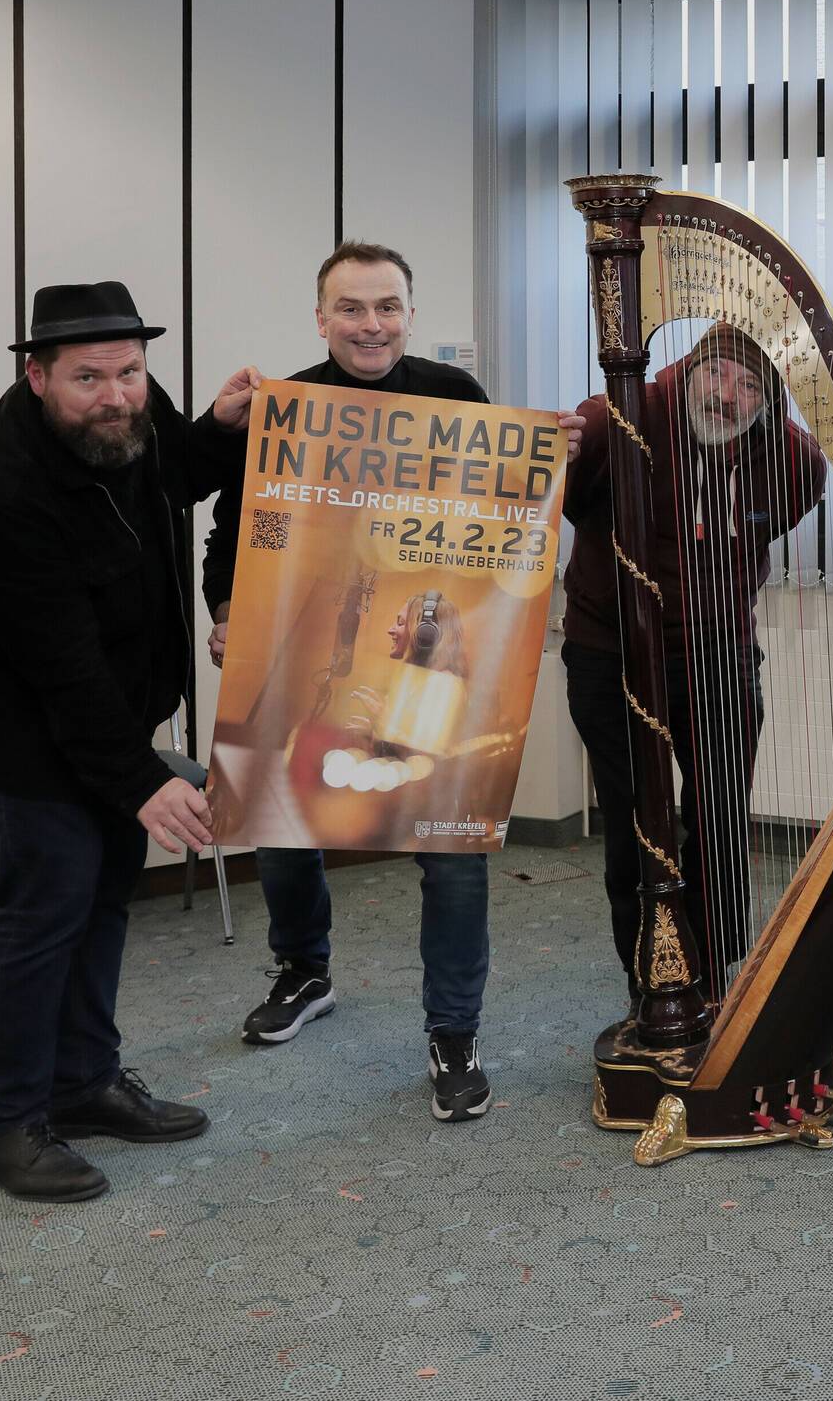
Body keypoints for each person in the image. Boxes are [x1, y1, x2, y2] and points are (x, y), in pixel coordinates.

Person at [202, 241, 580, 1123]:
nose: (370, 324)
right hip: (315, 644)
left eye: (387, 307)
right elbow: (236, 529)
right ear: (322, 315)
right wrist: (227, 606)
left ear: (409, 312)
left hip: (429, 650)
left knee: (451, 850)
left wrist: (547, 460)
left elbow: (503, 522)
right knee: (282, 819)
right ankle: (304, 969)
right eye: (351, 308)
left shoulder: (457, 400)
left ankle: (454, 1029)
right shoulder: (285, 406)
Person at [0, 281, 259, 1201]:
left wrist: (219, 430)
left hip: (113, 713)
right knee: (43, 915)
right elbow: (58, 667)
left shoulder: (130, 426)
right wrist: (141, 780)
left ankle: (81, 1080)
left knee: (105, 898)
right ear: (37, 376)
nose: (115, 394)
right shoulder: (0, 486)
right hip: (33, 729)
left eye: (131, 371)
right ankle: (4, 1125)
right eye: (88, 377)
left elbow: (171, 477)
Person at [563, 322, 825, 1005]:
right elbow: (548, 497)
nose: (728, 396)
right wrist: (546, 455)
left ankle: (712, 977)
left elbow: (774, 519)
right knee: (633, 822)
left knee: (719, 816)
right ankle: (651, 979)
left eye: (749, 388)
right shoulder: (615, 418)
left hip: (719, 652)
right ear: (690, 369)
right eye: (717, 375)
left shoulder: (793, 458)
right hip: (609, 653)